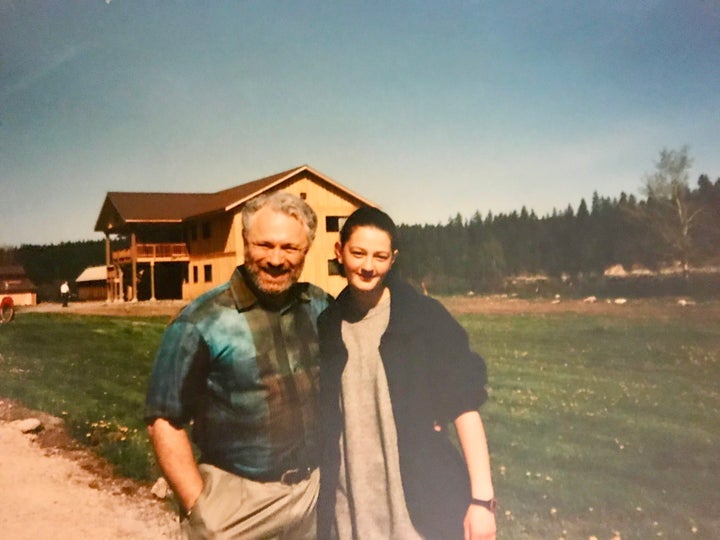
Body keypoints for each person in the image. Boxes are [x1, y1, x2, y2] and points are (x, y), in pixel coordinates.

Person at [144, 191, 332, 539]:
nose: (276, 259)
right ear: (245, 242)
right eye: (265, 245)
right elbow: (162, 420)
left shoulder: (318, 307)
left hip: (311, 497)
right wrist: (200, 508)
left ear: (306, 251)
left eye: (289, 248)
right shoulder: (201, 321)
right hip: (236, 505)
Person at [317, 207, 496, 540]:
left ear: (393, 258)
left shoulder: (424, 319)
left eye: (379, 256)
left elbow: (464, 406)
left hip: (418, 507)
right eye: (358, 253)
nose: (368, 266)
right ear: (339, 252)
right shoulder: (327, 325)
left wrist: (481, 501)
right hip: (349, 509)